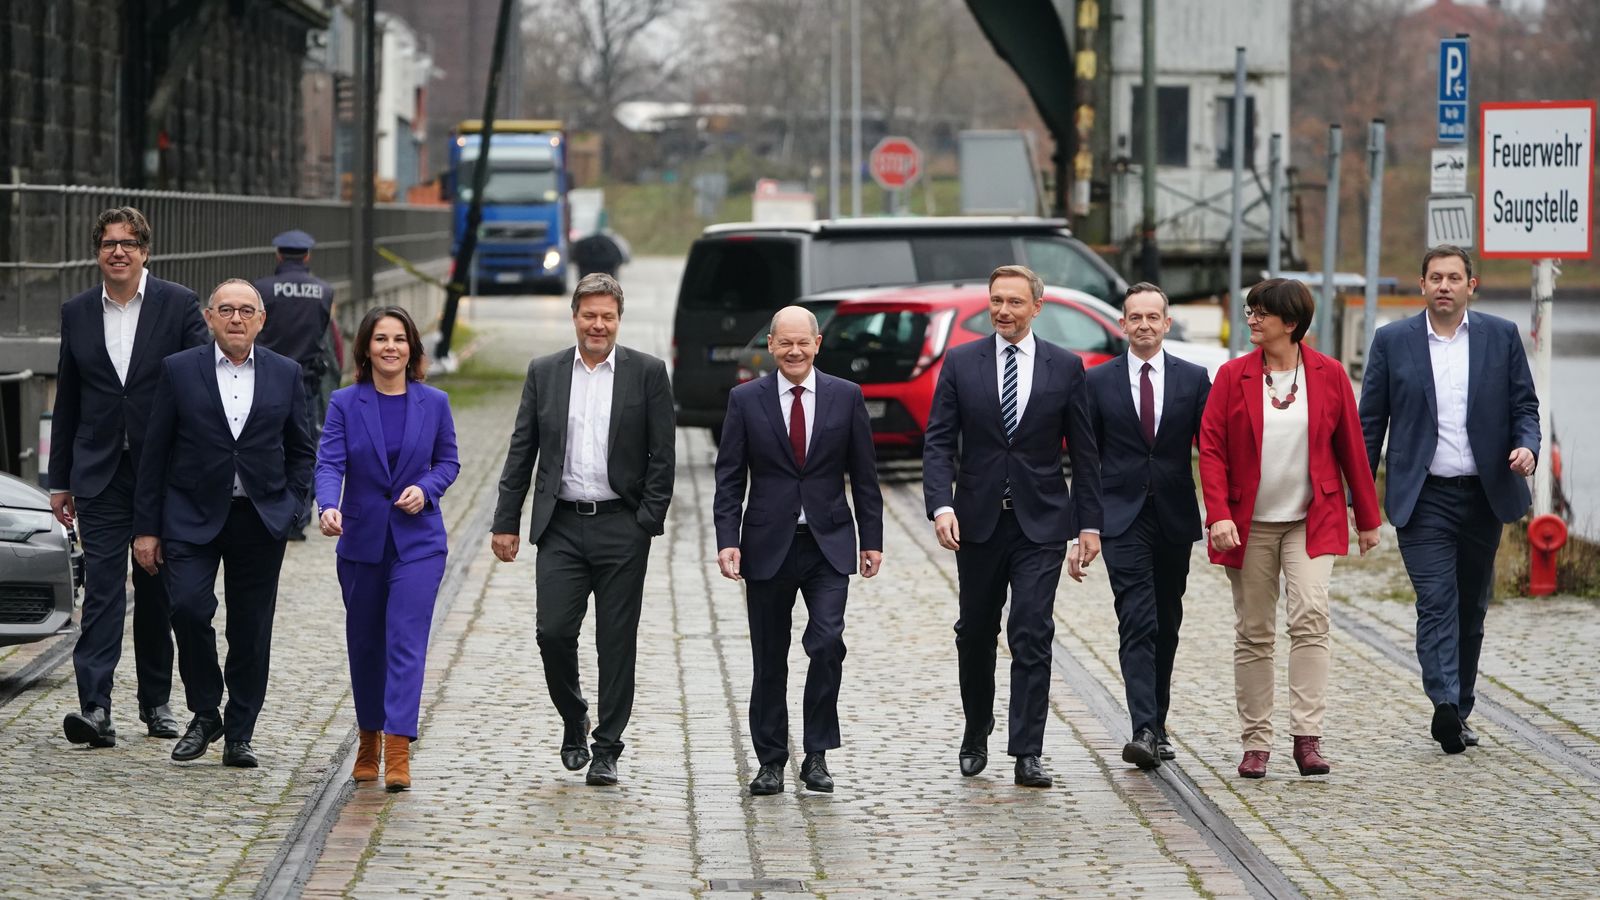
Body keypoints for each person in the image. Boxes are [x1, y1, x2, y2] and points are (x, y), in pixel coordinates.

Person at [490, 273, 675, 787]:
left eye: (607, 316)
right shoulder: (545, 372)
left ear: (619, 320)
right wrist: (506, 521)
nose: (598, 325)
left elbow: (664, 455)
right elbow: (521, 450)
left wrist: (646, 522)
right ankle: (575, 716)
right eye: (589, 315)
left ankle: (608, 747)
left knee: (616, 641)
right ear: (575, 317)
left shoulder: (648, 373)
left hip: (622, 526)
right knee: (553, 633)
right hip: (561, 527)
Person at [922, 264, 1102, 789]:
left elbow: (1085, 456)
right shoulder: (960, 362)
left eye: (1014, 302)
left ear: (1036, 307)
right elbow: (937, 442)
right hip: (975, 522)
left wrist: (1089, 524)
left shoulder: (1065, 367)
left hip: (1041, 523)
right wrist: (941, 505)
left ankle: (1027, 749)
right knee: (975, 633)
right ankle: (976, 729)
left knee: (1031, 630)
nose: (1003, 310)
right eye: (996, 301)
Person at [1358, 245, 1539, 755]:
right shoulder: (1392, 342)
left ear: (1470, 286)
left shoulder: (1500, 337)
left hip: (1484, 494)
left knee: (1471, 606)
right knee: (1436, 601)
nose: (1444, 285)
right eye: (1435, 277)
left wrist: (1526, 446)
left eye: (1453, 278)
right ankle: (1442, 703)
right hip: (1424, 497)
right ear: (1422, 285)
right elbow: (1370, 423)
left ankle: (1459, 705)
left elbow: (1525, 405)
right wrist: (1359, 498)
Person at [1198, 278, 1380, 779]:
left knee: (1311, 615)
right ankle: (1256, 743)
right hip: (1247, 523)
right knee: (1255, 632)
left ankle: (1308, 737)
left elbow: (1352, 450)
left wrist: (1366, 519)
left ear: (1291, 323)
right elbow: (1210, 450)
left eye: (1261, 312)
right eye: (1250, 310)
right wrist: (1218, 515)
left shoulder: (1330, 374)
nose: (1251, 319)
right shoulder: (1231, 376)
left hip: (1310, 517)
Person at [132, 279, 315, 768]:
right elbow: (155, 453)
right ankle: (205, 710)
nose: (237, 318)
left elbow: (302, 449)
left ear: (261, 320)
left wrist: (294, 505)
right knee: (189, 610)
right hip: (189, 515)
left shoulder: (286, 373)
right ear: (210, 318)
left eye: (246, 311)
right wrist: (146, 529)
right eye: (226, 310)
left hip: (259, 518)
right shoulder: (178, 370)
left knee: (251, 630)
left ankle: (239, 732)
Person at [50, 206, 208, 749]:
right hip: (98, 472)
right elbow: (68, 396)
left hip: (159, 469)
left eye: (129, 243)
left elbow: (196, 387)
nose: (118, 251)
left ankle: (156, 701)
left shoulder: (179, 304)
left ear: (145, 251)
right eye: (108, 243)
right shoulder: (75, 311)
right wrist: (59, 479)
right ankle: (94, 707)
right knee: (101, 590)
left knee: (156, 584)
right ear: (97, 252)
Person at [713, 305, 884, 796]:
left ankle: (816, 754)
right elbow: (729, 478)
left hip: (828, 544)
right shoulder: (745, 400)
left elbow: (866, 476)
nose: (793, 351)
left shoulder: (845, 397)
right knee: (770, 657)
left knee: (827, 644)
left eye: (802, 343)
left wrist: (871, 539)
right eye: (784, 343)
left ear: (817, 344)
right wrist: (728, 539)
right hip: (767, 544)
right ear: (770, 345)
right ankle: (770, 760)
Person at [316, 306, 460, 791]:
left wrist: (428, 488)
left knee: (405, 642)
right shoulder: (344, 402)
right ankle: (368, 738)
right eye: (381, 339)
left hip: (419, 543)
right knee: (366, 645)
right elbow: (329, 461)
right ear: (366, 348)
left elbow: (449, 461)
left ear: (412, 348)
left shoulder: (434, 401)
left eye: (400, 339)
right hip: (360, 540)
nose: (391, 347)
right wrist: (326, 505)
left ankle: (398, 748)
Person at [1077, 282, 1210, 769]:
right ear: (1122, 325)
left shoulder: (1195, 379)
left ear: (1167, 323)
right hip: (1120, 517)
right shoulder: (1097, 382)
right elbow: (1086, 461)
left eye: (1154, 317)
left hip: (1174, 515)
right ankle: (1144, 729)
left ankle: (1158, 719)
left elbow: (1210, 453)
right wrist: (1086, 526)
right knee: (1138, 619)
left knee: (1167, 622)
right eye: (1136, 317)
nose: (1145, 325)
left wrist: (1222, 512)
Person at [254, 229, 336, 541]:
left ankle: (271, 511)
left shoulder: (261, 289)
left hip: (267, 379)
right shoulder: (324, 291)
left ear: (278, 255)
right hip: (307, 380)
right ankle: (298, 518)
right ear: (307, 256)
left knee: (269, 444)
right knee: (306, 447)